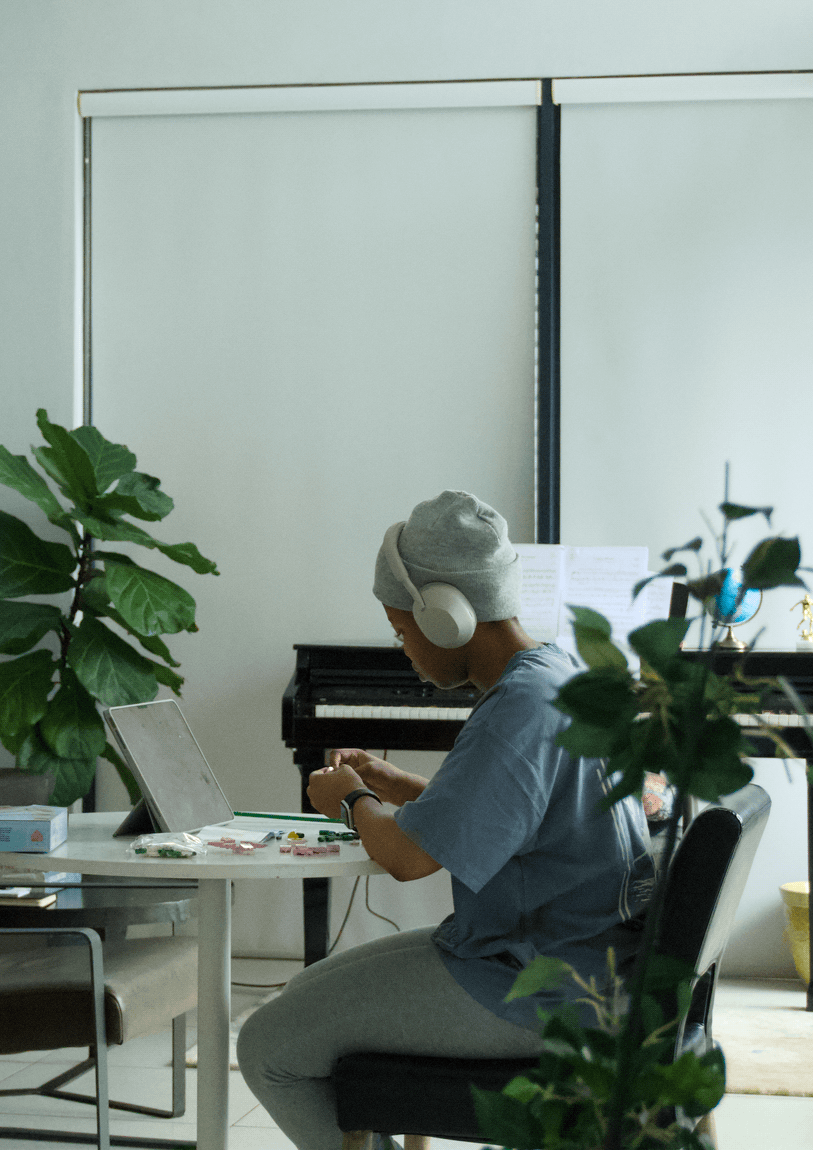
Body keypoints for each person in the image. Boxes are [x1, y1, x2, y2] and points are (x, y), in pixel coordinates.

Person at [237, 490, 654, 1150]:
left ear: (445, 617)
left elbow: (407, 861)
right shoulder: (556, 674)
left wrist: (348, 798)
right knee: (307, 988)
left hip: (535, 988)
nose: (403, 648)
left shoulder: (515, 711)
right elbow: (516, 812)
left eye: (402, 631)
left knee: (266, 1042)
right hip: (586, 965)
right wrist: (398, 787)